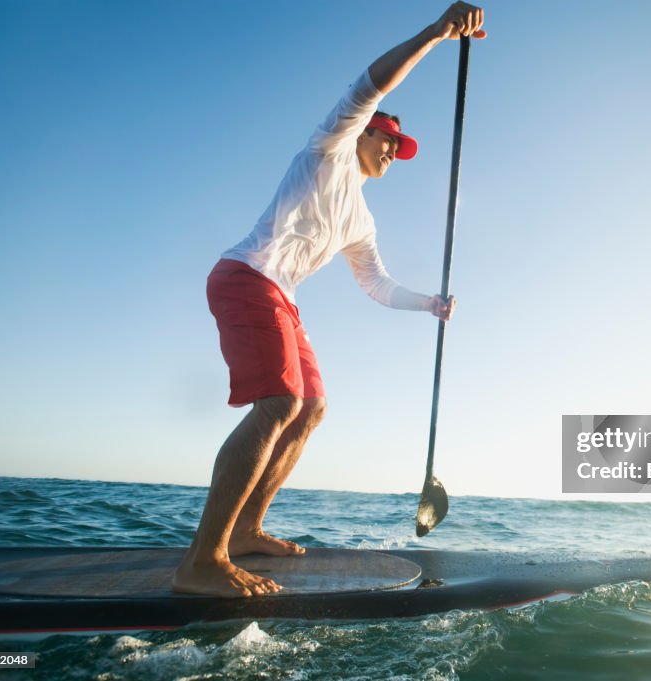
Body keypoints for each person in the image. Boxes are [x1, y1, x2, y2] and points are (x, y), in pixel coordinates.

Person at [173, 2, 486, 598]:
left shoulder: (361, 221)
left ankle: (245, 531)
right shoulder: (331, 149)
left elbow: (376, 284)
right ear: (364, 130)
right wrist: (439, 32)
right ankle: (202, 561)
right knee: (279, 403)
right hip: (245, 276)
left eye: (400, 146)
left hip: (281, 296)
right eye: (388, 137)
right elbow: (373, 82)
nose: (394, 149)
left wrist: (429, 304)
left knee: (310, 407)